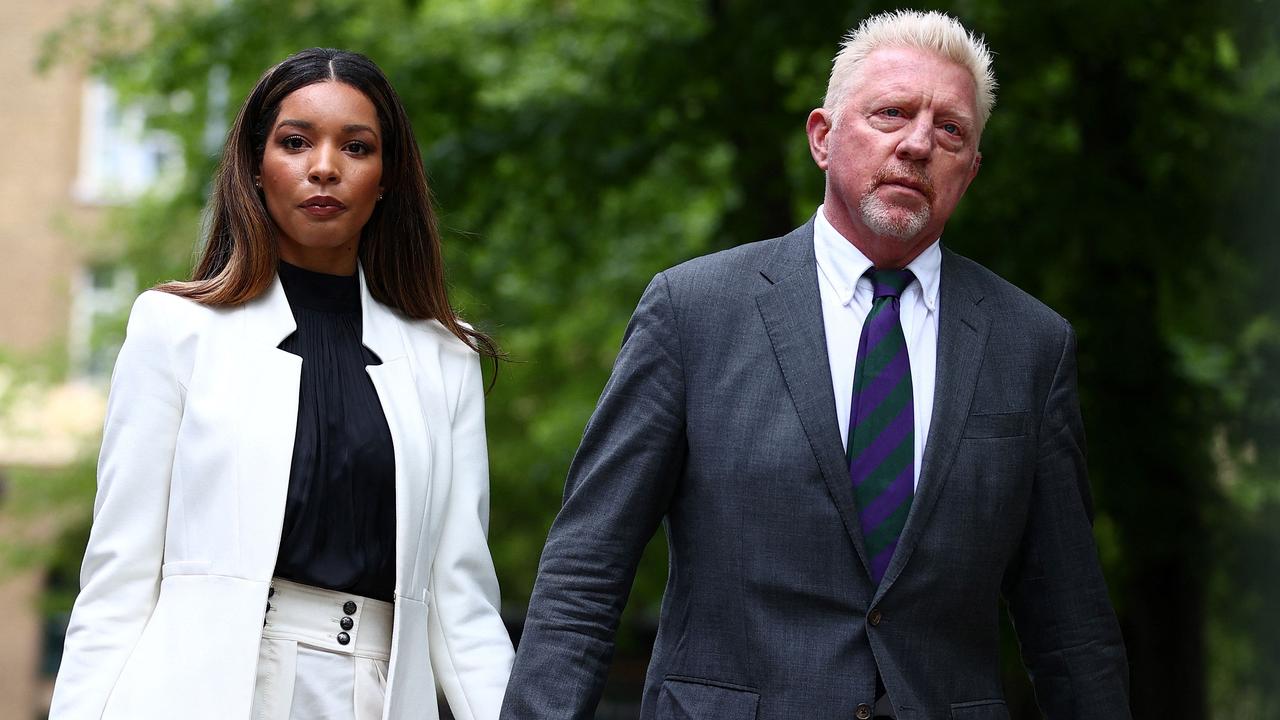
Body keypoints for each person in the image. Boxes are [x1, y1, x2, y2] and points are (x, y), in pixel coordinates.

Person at [501, 10, 1129, 720]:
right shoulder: (693, 312)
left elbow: (1071, 630)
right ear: (822, 138)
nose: (919, 143)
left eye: (950, 129)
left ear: (972, 169)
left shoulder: (1031, 346)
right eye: (891, 113)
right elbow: (586, 571)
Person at [49, 48, 513, 720]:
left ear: (385, 178)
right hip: (203, 694)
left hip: (378, 696)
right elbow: (116, 583)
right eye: (295, 142)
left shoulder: (446, 356)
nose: (324, 166)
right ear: (256, 167)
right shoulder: (176, 330)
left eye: (357, 147)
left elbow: (463, 608)